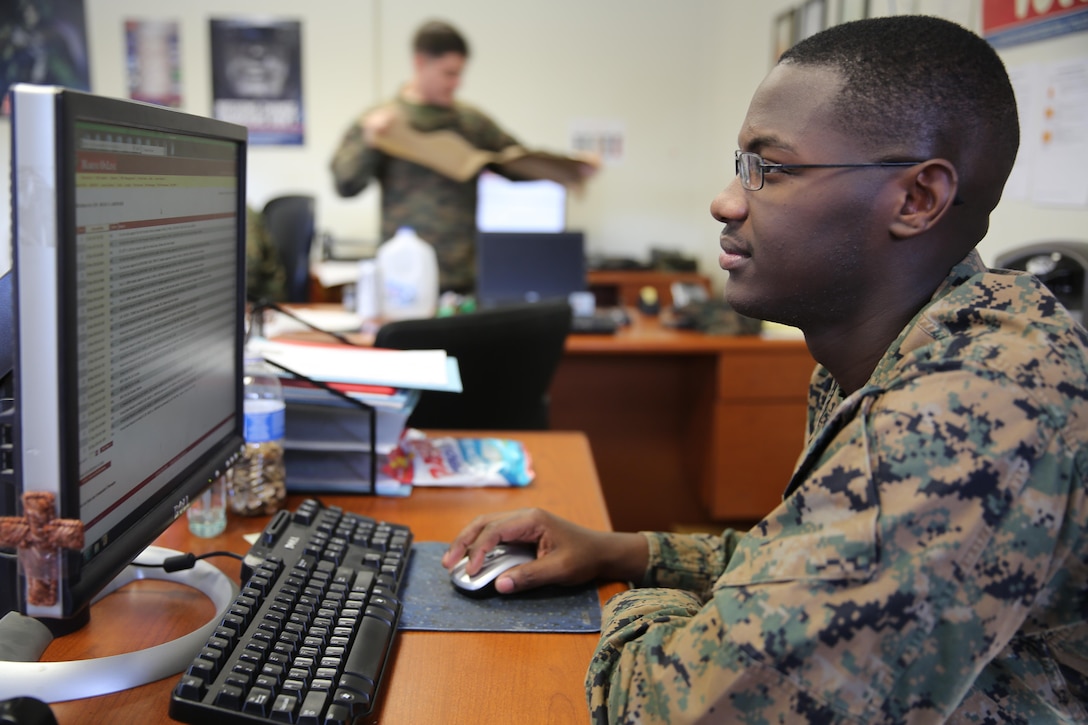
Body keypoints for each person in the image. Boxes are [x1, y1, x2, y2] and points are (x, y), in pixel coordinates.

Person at [442, 15, 1088, 724]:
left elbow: (675, 711)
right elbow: (805, 560)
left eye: (770, 168)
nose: (725, 199)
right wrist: (623, 550)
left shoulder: (962, 411)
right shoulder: (900, 345)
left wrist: (652, 605)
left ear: (917, 199)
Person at [330, 19, 594, 294]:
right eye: (448, 73)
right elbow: (345, 184)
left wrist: (572, 168)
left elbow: (516, 162)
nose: (456, 83)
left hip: (462, 277)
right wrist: (369, 143)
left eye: (459, 74)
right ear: (420, 63)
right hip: (403, 279)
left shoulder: (470, 123)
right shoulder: (383, 121)